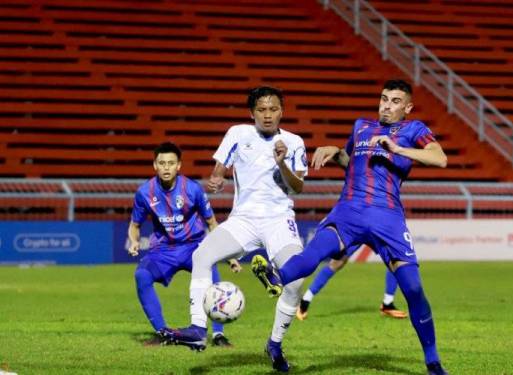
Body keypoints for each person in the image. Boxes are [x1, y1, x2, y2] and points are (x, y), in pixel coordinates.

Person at [252, 80, 450, 375]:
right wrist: (336, 150)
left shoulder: (414, 130)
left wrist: (398, 149)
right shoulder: (361, 126)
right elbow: (351, 162)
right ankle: (274, 276)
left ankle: (433, 363)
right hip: (349, 211)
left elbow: (440, 159)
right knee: (314, 255)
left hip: (388, 218)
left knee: (413, 288)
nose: (386, 105)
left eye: (395, 101)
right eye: (384, 98)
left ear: (407, 108)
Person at [163, 86, 308, 372]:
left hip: (279, 220)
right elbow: (220, 168)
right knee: (202, 255)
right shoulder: (237, 133)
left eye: (274, 109)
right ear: (252, 113)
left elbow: (298, 187)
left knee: (295, 283)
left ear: (283, 111)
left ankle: (274, 344)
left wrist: (282, 163)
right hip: (243, 219)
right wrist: (216, 180)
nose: (268, 115)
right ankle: (196, 328)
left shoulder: (293, 141)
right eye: (262, 110)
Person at [128, 142, 241, 348]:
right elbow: (134, 225)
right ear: (155, 165)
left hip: (193, 247)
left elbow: (212, 223)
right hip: (163, 250)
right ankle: (163, 333)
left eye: (171, 163)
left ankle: (217, 335)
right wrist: (134, 241)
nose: (166, 167)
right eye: (161, 163)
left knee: (213, 280)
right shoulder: (144, 192)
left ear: (179, 166)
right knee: (141, 276)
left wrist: (229, 255)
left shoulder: (192, 189)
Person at [296, 244, 407, 320]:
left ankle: (388, 303)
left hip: (376, 221)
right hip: (360, 222)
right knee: (337, 262)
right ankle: (306, 299)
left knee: (394, 257)